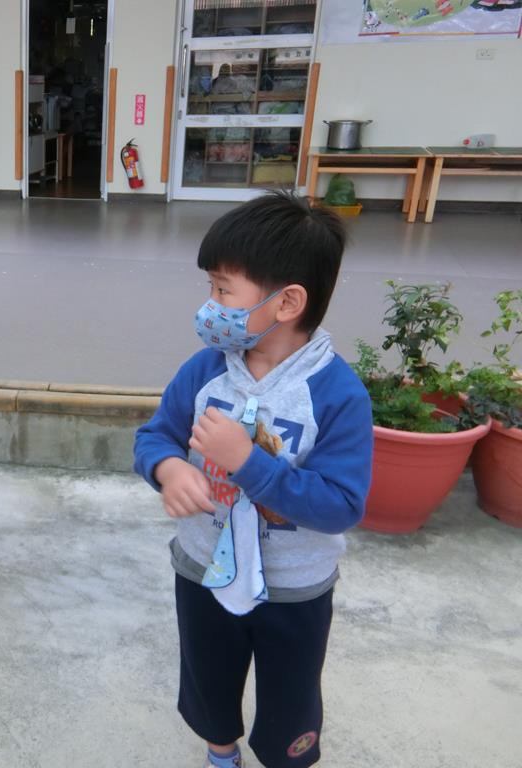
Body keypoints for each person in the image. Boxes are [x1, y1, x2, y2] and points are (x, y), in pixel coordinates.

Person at [133, 191, 373, 768]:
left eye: (222, 290)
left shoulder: (337, 394)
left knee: (291, 698)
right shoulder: (205, 371)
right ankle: (221, 752)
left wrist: (248, 462)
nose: (209, 304)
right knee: (208, 676)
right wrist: (168, 468)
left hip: (295, 589)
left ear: (287, 301)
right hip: (202, 569)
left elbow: (341, 504)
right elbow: (155, 435)